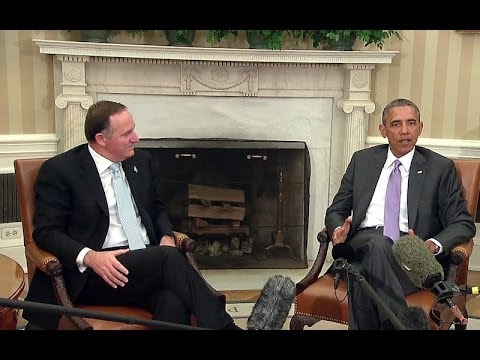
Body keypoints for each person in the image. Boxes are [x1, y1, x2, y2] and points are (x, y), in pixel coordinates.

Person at [23, 100, 242, 330]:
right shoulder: (61, 170)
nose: (136, 137)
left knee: (173, 302)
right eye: (127, 133)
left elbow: (156, 208)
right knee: (168, 258)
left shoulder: (141, 161)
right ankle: (226, 328)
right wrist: (90, 257)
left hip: (142, 267)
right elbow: (46, 232)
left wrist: (166, 235)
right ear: (101, 139)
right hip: (96, 272)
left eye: (134, 129)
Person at [325, 98, 476, 330]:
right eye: (396, 124)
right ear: (383, 130)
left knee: (363, 273)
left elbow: (463, 223)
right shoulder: (362, 161)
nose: (405, 131)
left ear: (420, 127)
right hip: (362, 244)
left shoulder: (439, 168)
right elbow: (337, 209)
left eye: (411, 123)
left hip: (409, 259)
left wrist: (432, 245)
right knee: (377, 243)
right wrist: (337, 231)